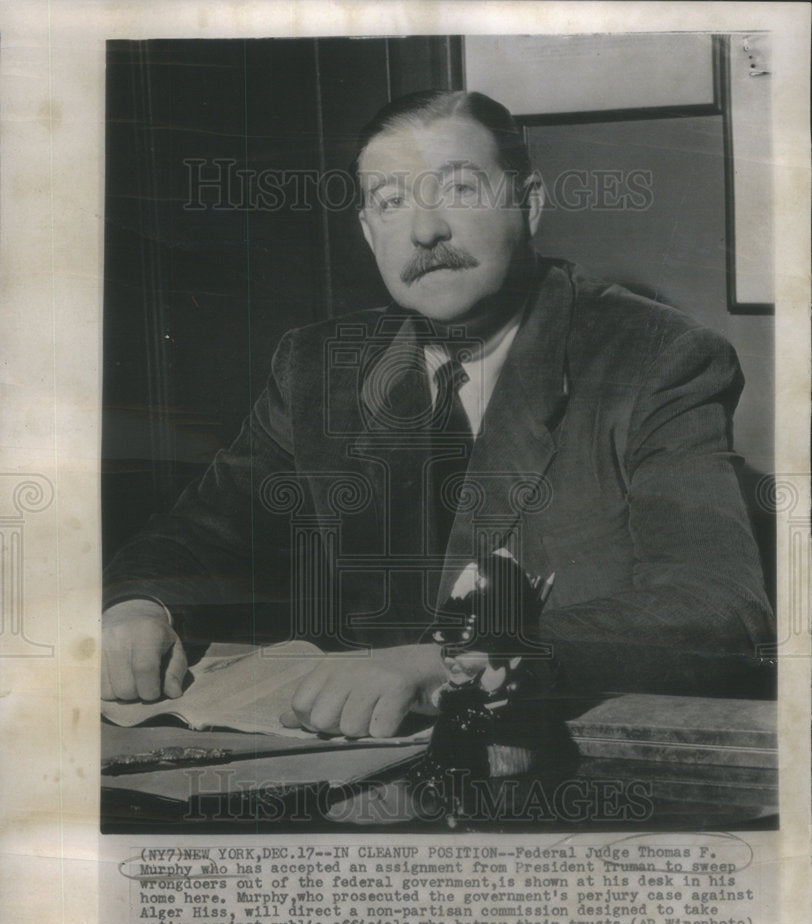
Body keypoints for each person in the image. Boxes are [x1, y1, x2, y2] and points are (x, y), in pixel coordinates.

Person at [102, 89, 775, 737]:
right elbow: (201, 536)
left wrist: (458, 660)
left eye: (459, 189)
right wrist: (138, 608)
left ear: (529, 205)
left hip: (560, 763)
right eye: (391, 203)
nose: (425, 229)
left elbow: (720, 610)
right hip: (347, 766)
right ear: (369, 234)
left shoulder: (655, 356)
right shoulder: (319, 366)